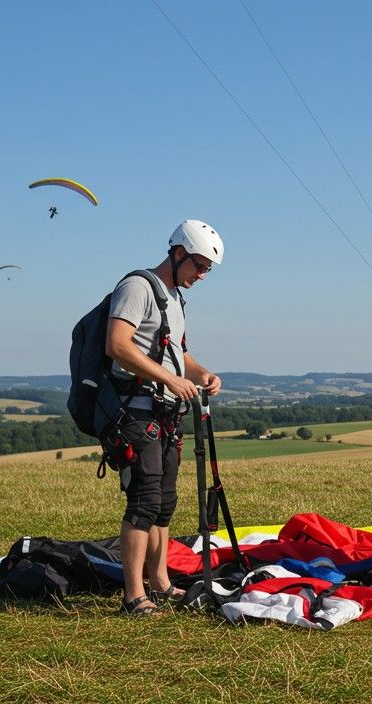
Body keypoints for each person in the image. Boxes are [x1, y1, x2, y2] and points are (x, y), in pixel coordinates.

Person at [105, 219, 225, 616]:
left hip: (165, 413)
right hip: (135, 411)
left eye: (207, 269)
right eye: (200, 265)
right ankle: (133, 596)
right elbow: (118, 345)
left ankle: (160, 583)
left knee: (165, 503)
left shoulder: (174, 298)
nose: (202, 275)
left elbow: (176, 354)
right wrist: (170, 380)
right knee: (143, 501)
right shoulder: (137, 288)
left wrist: (201, 373)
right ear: (177, 253)